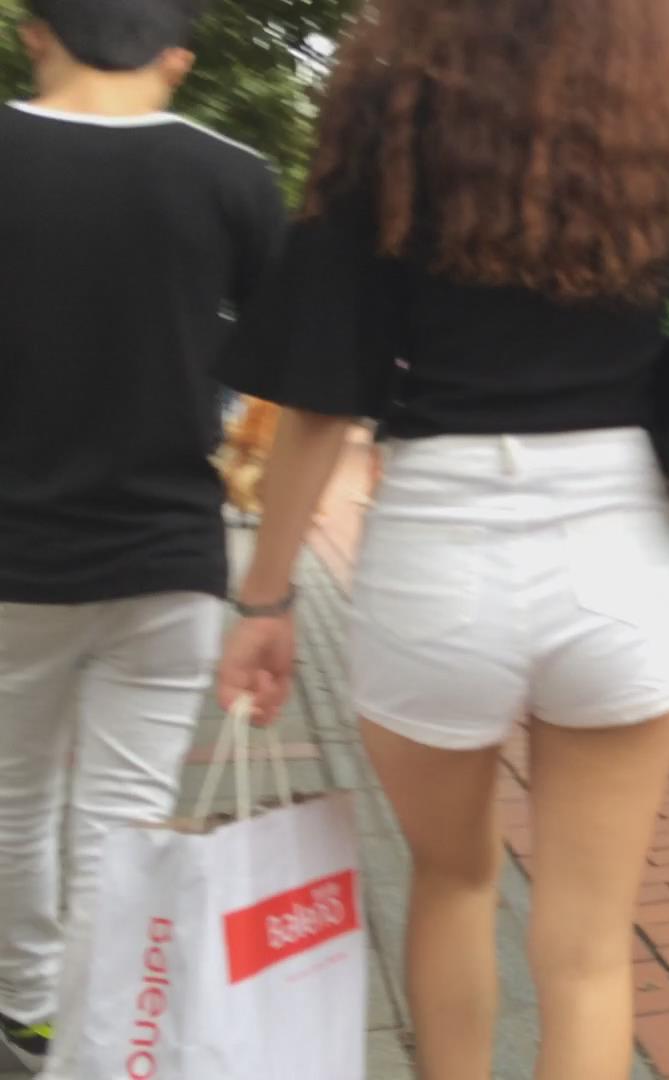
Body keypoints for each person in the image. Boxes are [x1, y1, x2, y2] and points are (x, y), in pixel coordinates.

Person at [214, 0, 669, 1076]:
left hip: (436, 546)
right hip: (616, 542)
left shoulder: (391, 88)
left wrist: (266, 598)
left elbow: (322, 390)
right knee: (587, 951)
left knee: (452, 883)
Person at [0, 0, 285, 1071]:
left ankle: (26, 1008)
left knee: (10, 806)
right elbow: (282, 369)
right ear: (178, 55)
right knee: (123, 825)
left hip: (9, 559)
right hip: (170, 558)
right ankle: (100, 1046)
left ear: (35, 30)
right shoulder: (234, 177)